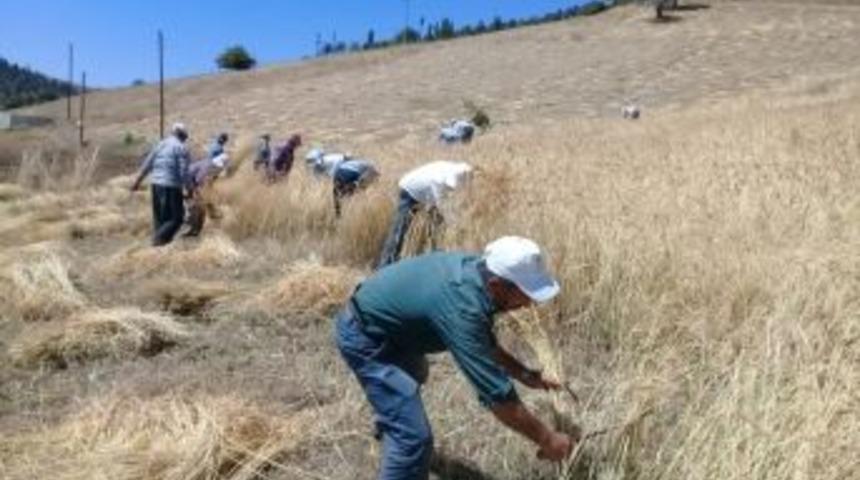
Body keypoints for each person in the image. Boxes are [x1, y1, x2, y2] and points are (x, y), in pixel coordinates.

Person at [335, 236, 575, 480]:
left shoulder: (476, 273)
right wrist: (548, 439)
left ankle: (391, 425)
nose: (530, 303)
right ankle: (398, 435)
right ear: (497, 285)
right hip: (367, 339)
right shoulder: (462, 308)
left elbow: (483, 343)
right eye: (526, 293)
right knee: (413, 439)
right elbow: (498, 398)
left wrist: (526, 375)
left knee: (415, 376)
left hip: (395, 331)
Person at [376, 160, 472, 268]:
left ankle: (432, 261)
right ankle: (385, 266)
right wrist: (456, 224)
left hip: (427, 194)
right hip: (409, 191)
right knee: (400, 231)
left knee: (438, 228)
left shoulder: (461, 171)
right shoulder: (437, 180)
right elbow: (443, 206)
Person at [130, 123, 192, 246]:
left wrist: (137, 182)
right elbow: (183, 171)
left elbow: (147, 164)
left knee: (160, 218)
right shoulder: (181, 147)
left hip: (156, 185)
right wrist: (189, 188)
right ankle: (157, 240)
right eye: (185, 136)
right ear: (182, 135)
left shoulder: (160, 145)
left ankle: (160, 248)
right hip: (171, 186)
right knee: (177, 218)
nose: (185, 139)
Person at [183, 153, 229, 237]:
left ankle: (194, 228)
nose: (219, 170)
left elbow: (207, 180)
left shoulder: (211, 165)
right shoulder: (207, 166)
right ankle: (190, 225)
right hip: (187, 179)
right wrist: (197, 192)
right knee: (195, 204)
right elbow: (197, 179)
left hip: (191, 180)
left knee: (198, 204)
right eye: (219, 168)